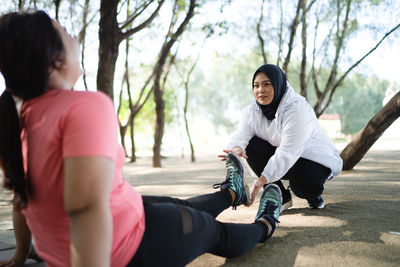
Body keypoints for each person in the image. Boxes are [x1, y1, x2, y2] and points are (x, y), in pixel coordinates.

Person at [0, 10, 283, 267]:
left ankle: (231, 193)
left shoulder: (21, 118)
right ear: (55, 58)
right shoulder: (84, 107)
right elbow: (85, 208)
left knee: (177, 206)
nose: (74, 37)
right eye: (64, 31)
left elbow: (21, 199)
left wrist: (24, 252)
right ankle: (265, 224)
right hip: (126, 249)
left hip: (114, 226)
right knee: (213, 232)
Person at [220, 64, 343, 211]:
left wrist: (260, 182)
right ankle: (281, 197)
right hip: (284, 156)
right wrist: (236, 148)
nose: (260, 90)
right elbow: (241, 133)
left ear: (278, 84)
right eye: (256, 85)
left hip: (313, 160)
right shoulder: (252, 110)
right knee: (251, 145)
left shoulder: (297, 109)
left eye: (267, 84)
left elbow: (288, 152)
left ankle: (313, 195)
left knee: (304, 185)